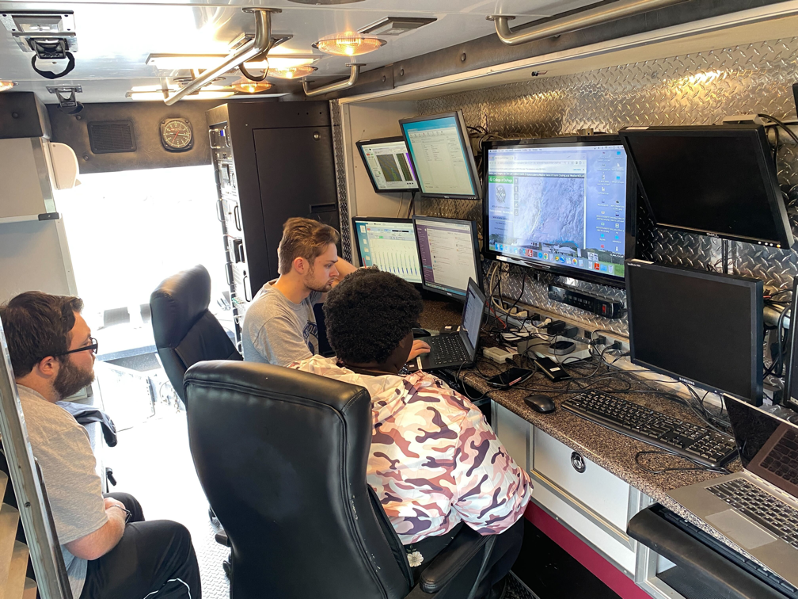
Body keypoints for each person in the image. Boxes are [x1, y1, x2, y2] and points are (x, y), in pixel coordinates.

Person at [290, 269, 531, 592]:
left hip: (314, 548)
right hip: (402, 563)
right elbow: (501, 514)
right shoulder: (447, 414)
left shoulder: (295, 380)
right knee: (510, 525)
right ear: (404, 342)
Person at [0, 292, 201, 599]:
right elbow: (90, 545)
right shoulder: (50, 427)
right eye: (87, 345)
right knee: (174, 541)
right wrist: (115, 513)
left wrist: (116, 508)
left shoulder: (13, 407)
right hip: (53, 585)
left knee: (127, 501)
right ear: (49, 365)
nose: (93, 353)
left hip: (28, 553)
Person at [242, 217, 429, 366]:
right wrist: (389, 362)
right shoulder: (271, 316)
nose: (335, 272)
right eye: (328, 265)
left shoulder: (302, 292)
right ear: (300, 264)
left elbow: (358, 284)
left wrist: (323, 251)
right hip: (289, 408)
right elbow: (314, 381)